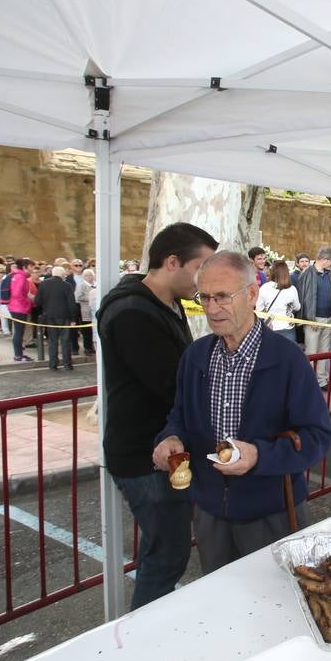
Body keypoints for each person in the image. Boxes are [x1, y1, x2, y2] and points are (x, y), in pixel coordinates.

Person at [153, 252, 331, 573]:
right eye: (204, 297)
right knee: (223, 608)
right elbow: (178, 416)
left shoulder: (288, 359)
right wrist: (170, 438)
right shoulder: (196, 356)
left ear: (251, 294)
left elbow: (318, 437)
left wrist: (259, 456)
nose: (211, 308)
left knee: (277, 607)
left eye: (222, 296)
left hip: (271, 513)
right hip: (209, 513)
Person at [96, 222, 217, 610]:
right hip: (144, 456)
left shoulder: (166, 302)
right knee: (167, 554)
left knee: (170, 548)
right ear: (172, 262)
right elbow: (171, 385)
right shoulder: (132, 311)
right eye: (202, 267)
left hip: (169, 446)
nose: (206, 278)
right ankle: (139, 640)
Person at [295, 246, 331, 388]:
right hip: (313, 319)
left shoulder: (329, 274)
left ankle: (322, 381)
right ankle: (308, 381)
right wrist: (309, 318)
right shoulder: (307, 273)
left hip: (328, 318)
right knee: (311, 352)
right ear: (324, 259)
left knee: (324, 352)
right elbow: (303, 298)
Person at [33, 265, 77, 371]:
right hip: (64, 316)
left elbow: (37, 301)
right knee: (65, 341)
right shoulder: (67, 285)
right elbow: (71, 303)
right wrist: (73, 319)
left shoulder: (44, 284)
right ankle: (67, 364)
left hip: (49, 315)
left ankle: (53, 364)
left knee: (52, 341)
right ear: (62, 274)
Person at [255, 260, 301, 342]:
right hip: (287, 327)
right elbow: (297, 307)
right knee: (289, 354)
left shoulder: (264, 288)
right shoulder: (292, 289)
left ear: (272, 272)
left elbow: (259, 310)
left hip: (270, 328)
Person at [5, 257, 36, 362]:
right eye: (31, 266)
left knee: (19, 332)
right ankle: (18, 355)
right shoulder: (20, 277)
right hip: (19, 307)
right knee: (19, 332)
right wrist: (26, 300)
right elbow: (17, 293)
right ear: (25, 267)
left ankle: (19, 354)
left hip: (16, 306)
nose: (33, 268)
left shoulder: (17, 276)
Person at [74, 268, 97, 356]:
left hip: (95, 310)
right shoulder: (82, 285)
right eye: (87, 275)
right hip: (86, 311)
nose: (89, 277)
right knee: (87, 330)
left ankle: (93, 346)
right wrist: (89, 298)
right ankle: (87, 348)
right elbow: (78, 297)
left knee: (94, 330)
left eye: (90, 275)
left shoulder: (96, 284)